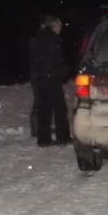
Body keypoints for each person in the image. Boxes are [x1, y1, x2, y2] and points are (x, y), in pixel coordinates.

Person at [29, 15, 71, 147]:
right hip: (50, 78)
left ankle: (43, 139)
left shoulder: (37, 38)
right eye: (59, 26)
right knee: (60, 109)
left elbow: (36, 60)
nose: (60, 29)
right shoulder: (53, 39)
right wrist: (62, 72)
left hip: (39, 78)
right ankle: (62, 137)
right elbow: (55, 60)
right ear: (53, 26)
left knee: (44, 109)